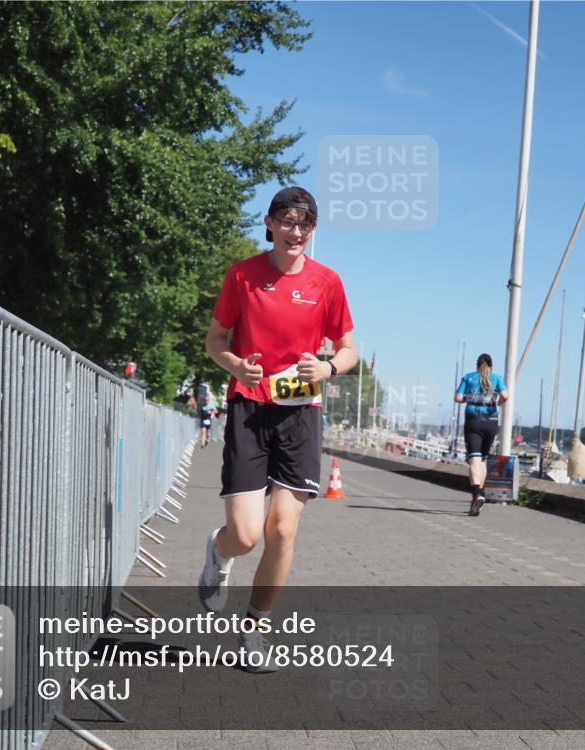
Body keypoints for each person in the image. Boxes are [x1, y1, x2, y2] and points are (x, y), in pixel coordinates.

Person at [200, 186, 357, 671]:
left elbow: (349, 349)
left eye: (305, 224)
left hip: (300, 414)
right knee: (246, 535)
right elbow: (215, 339)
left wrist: (328, 369)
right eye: (287, 222)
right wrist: (234, 367)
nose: (296, 232)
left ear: (313, 231)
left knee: (283, 531)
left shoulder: (327, 281)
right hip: (249, 410)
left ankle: (254, 631)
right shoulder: (243, 276)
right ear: (269, 224)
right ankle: (218, 550)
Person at [454, 353, 509, 516]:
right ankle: (481, 495)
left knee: (474, 460)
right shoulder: (497, 378)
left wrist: (469, 398)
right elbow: (505, 395)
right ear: (490, 367)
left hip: (473, 421)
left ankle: (477, 493)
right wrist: (497, 402)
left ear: (477, 366)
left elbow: (457, 397)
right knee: (483, 459)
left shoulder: (469, 377)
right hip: (491, 422)